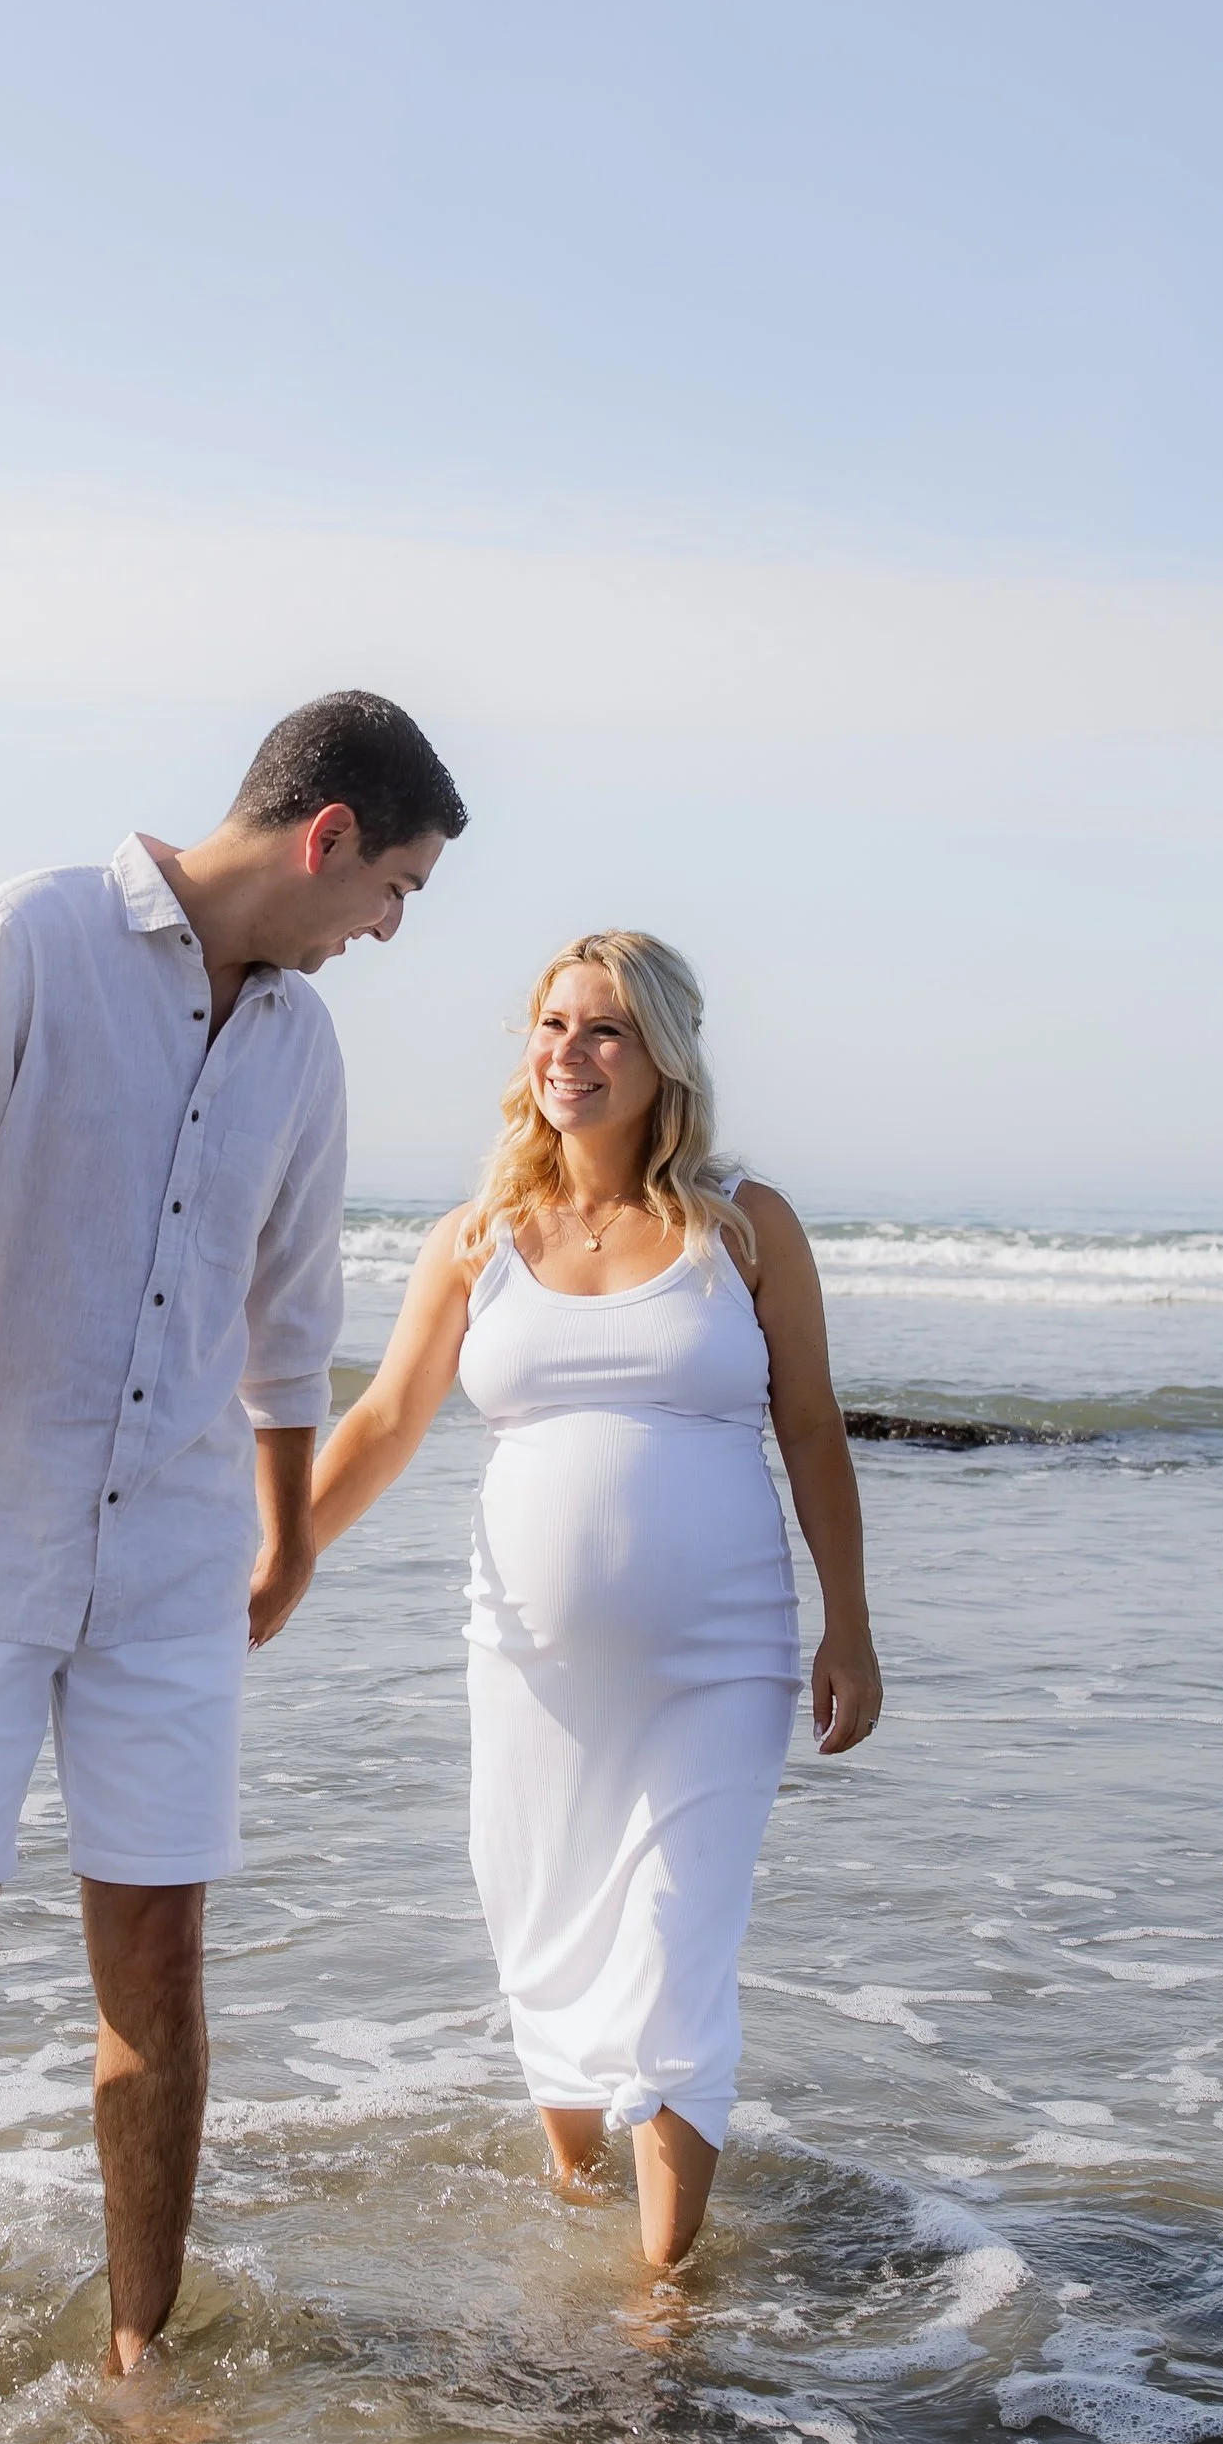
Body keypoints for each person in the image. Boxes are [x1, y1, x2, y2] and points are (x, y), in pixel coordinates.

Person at [0, 691, 466, 2376]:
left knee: (160, 1950)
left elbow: (291, 1321)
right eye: (394, 890)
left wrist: (286, 1534)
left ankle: (139, 2340)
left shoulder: (302, 1045)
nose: (387, 929)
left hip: (164, 1561)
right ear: (326, 840)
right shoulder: (31, 939)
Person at [309, 930, 880, 2274]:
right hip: (527, 1664)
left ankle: (658, 2284)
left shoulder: (745, 1225)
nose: (570, 1053)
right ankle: (577, 2207)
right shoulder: (478, 1238)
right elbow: (387, 1419)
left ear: (665, 1054)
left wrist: (848, 1620)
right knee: (546, 1924)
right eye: (553, 1025)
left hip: (720, 1656)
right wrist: (276, 1558)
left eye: (605, 1029)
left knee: (678, 1934)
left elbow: (810, 1427)